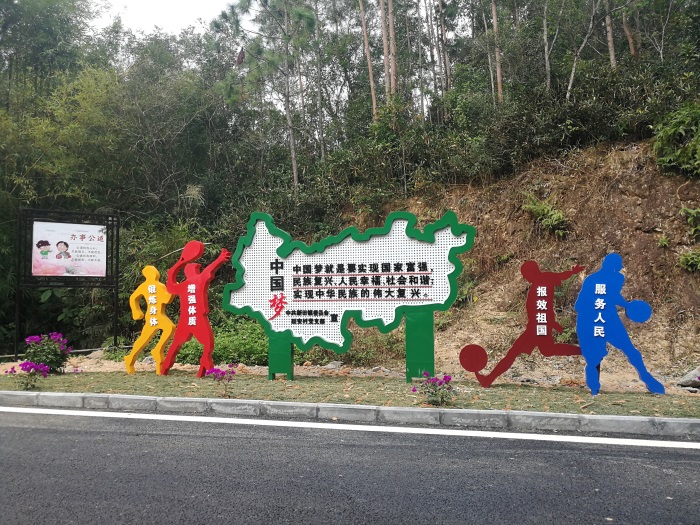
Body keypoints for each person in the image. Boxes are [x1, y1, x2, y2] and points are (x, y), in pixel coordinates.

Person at [474, 260, 584, 387]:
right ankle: (584, 350)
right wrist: (572, 272)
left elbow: (558, 282)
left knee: (514, 353)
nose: (525, 278)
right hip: (538, 326)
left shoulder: (542, 282)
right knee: (547, 350)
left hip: (536, 328)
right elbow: (559, 279)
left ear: (532, 272)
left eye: (526, 275)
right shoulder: (543, 281)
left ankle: (489, 379)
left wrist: (572, 272)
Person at [574, 253, 664, 395]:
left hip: (606, 318)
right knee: (597, 356)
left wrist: (627, 305)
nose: (620, 269)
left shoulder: (606, 278)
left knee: (628, 349)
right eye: (618, 266)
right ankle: (594, 388)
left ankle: (646, 377)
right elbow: (583, 304)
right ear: (614, 266)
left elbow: (610, 296)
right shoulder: (604, 279)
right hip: (594, 319)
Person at [161, 241, 231, 377]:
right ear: (192, 272)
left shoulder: (183, 285)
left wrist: (176, 266)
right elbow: (209, 270)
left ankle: (166, 368)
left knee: (177, 344)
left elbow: (170, 284)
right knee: (207, 345)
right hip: (196, 319)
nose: (199, 271)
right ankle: (207, 366)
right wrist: (220, 259)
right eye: (197, 269)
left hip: (187, 320)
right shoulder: (199, 280)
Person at [124, 265, 174, 375]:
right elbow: (166, 299)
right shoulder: (152, 286)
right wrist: (136, 311)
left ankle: (157, 351)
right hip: (153, 317)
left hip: (157, 316)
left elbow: (133, 298)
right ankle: (131, 358)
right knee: (145, 338)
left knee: (169, 328)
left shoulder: (155, 286)